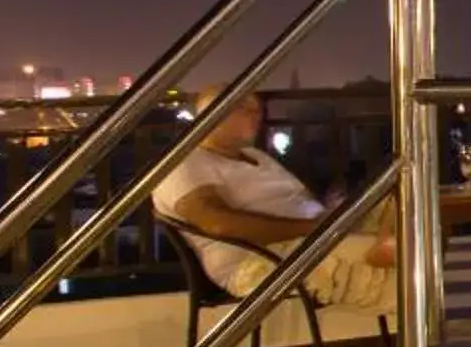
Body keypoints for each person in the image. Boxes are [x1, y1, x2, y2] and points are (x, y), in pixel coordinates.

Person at [152, 91, 396, 310]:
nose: (256, 113)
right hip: (262, 258)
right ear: (209, 117)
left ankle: (391, 245)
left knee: (409, 196)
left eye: (257, 107)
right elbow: (219, 223)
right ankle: (391, 251)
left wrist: (330, 213)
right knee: (414, 269)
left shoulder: (255, 156)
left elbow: (293, 200)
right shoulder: (183, 163)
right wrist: (319, 230)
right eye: (243, 107)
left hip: (318, 232)